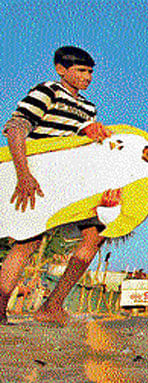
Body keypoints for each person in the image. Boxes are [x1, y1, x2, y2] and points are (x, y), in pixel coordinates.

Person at [0, 124, 148, 325]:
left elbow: (122, 224)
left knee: (36, 239)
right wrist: (87, 128)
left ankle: (48, 305)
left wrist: (109, 209)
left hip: (57, 201)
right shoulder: (133, 133)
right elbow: (87, 132)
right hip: (44, 167)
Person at [0, 46, 113, 325]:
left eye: (90, 72)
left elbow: (83, 144)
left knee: (96, 234)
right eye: (81, 71)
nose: (87, 77)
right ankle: (0, 306)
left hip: (72, 182)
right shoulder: (48, 91)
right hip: (38, 175)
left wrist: (91, 132)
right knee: (28, 240)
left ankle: (52, 306)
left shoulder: (89, 107)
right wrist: (24, 174)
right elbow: (15, 128)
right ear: (61, 69)